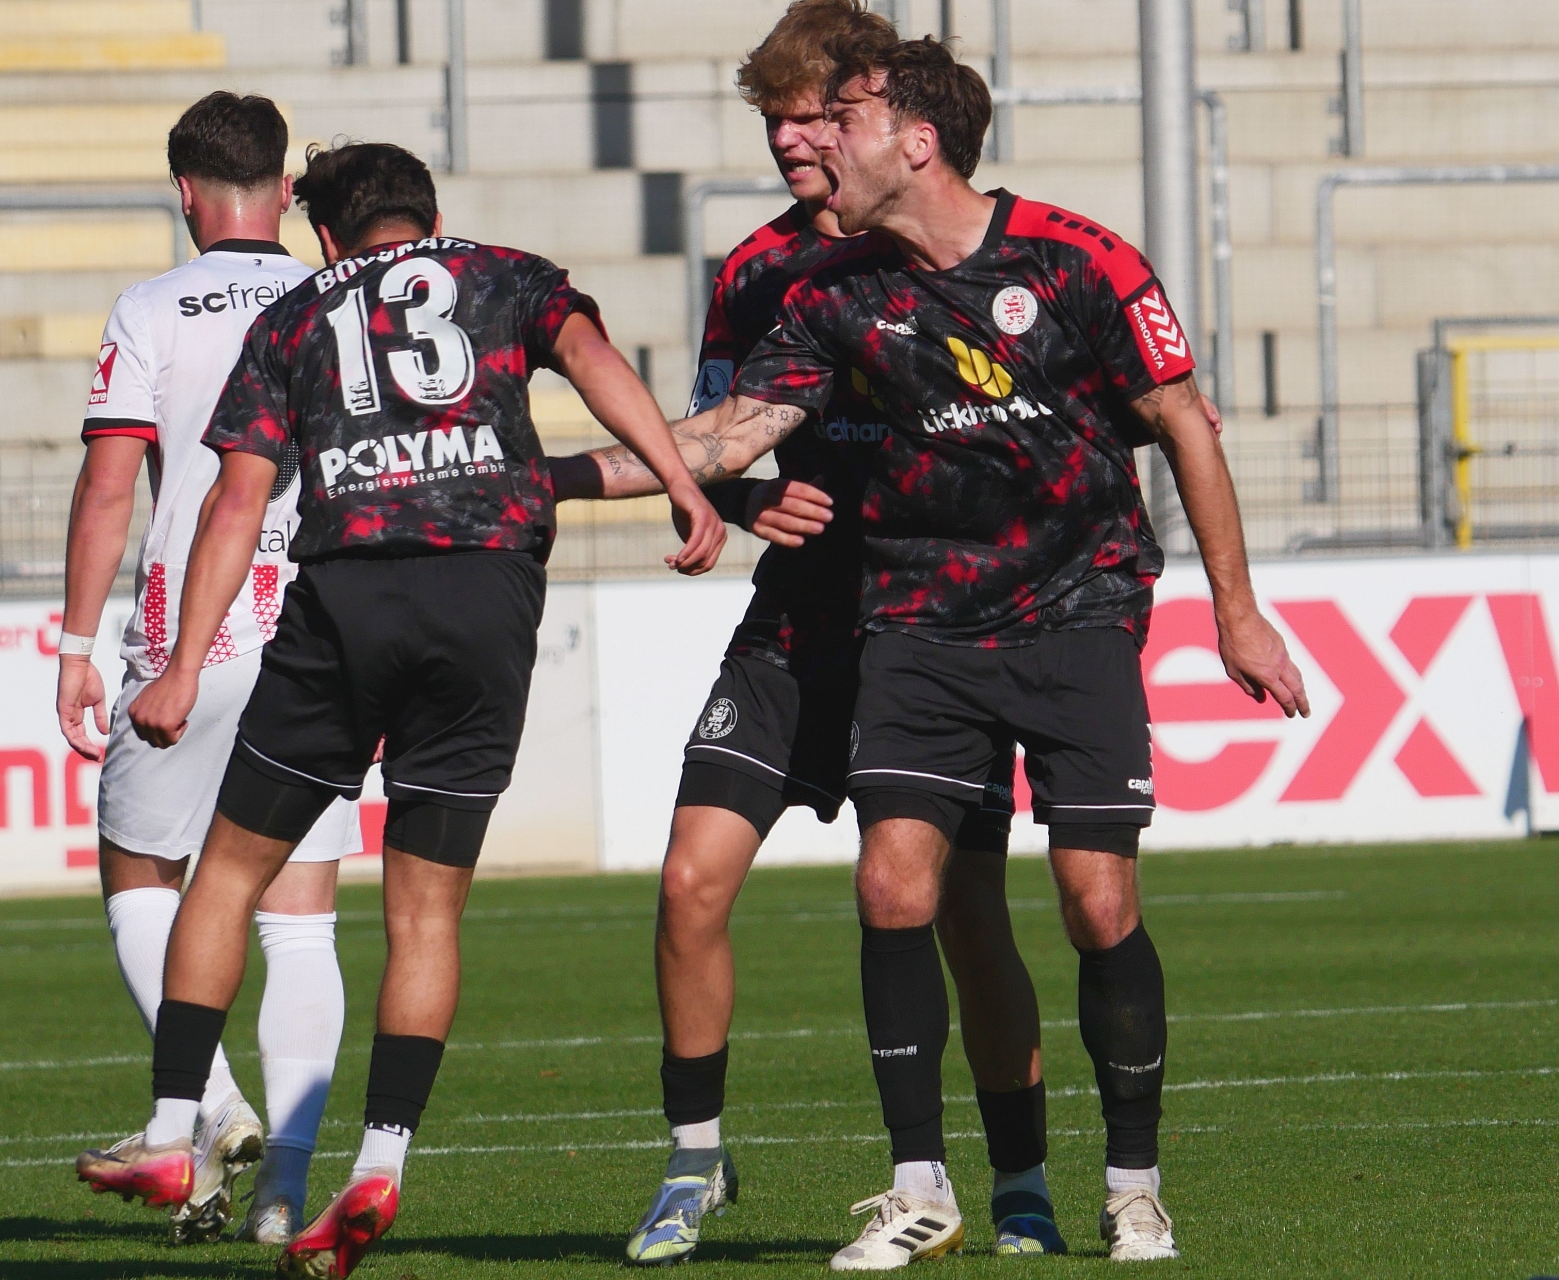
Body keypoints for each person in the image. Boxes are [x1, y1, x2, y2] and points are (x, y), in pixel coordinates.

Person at [647, 34, 1310, 1268]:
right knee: (892, 888)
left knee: (1096, 901)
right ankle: (921, 1186)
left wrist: (1238, 610)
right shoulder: (830, 291)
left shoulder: (1078, 256)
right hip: (919, 621)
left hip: (1078, 607)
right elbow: (726, 433)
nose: (814, 142)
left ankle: (1132, 1185)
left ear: (916, 141)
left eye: (840, 119)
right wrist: (532, 476)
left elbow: (1183, 420)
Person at [74, 140, 725, 1279]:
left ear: (325, 233)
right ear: (429, 210)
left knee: (226, 874)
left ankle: (176, 1129)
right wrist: (679, 480)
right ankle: (379, 1161)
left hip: (349, 600)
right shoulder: (509, 276)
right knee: (426, 912)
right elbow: (593, 360)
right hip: (487, 596)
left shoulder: (294, 315)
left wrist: (179, 666)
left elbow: (237, 503)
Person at [552, 1, 1060, 1263]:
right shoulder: (756, 272)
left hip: (934, 633)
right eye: (771, 119)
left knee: (967, 914)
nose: (787, 138)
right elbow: (710, 435)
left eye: (806, 115)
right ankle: (693, 1159)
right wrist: (738, 500)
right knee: (689, 879)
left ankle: (1021, 1179)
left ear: (870, 114)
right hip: (796, 630)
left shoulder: (957, 253)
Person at [57, 92, 359, 1247]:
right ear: (283, 188)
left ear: (184, 191)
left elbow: (108, 483)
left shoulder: (149, 308)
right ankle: (284, 1188)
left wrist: (77, 647)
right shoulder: (336, 296)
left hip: (192, 630)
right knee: (300, 915)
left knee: (143, 872)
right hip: (319, 629)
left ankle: (213, 1104)